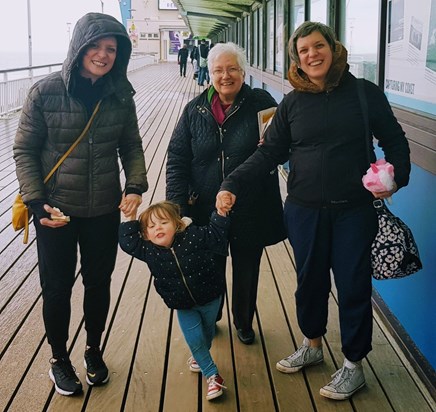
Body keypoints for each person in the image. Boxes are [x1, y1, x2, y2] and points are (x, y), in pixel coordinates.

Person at [216, 21, 411, 400]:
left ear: (332, 48)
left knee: (353, 286)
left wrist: (396, 177)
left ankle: (354, 365)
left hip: (354, 210)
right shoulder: (292, 102)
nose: (312, 55)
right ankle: (313, 344)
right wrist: (232, 182)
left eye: (318, 46)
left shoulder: (363, 93)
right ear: (298, 60)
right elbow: (270, 152)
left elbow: (394, 139)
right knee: (310, 282)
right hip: (304, 210)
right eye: (303, 51)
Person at [13, 12, 148, 396]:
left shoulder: (121, 94)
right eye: (95, 46)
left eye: (110, 49)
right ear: (79, 47)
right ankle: (58, 357)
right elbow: (24, 149)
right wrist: (37, 204)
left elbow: (132, 146)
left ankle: (92, 349)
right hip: (55, 211)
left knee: (98, 283)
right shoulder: (46, 91)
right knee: (56, 287)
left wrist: (135, 185)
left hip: (103, 208)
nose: (102, 55)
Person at [166, 42, 286, 345]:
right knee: (210, 267)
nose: (225, 75)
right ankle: (213, 315)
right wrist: (177, 207)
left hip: (251, 204)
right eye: (219, 69)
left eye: (232, 68)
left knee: (247, 267)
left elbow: (278, 151)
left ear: (243, 72)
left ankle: (244, 322)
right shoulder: (195, 109)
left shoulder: (262, 102)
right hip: (206, 206)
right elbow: (177, 158)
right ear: (211, 72)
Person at [118, 201, 230, 401]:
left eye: (163, 222)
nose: (157, 228)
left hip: (210, 295)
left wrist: (220, 213)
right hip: (182, 304)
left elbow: (215, 234)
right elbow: (128, 243)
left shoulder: (193, 236)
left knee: (207, 331)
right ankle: (212, 375)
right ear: (145, 234)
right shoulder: (149, 250)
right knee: (195, 339)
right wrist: (131, 217)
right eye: (151, 227)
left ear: (177, 224)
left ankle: (200, 358)